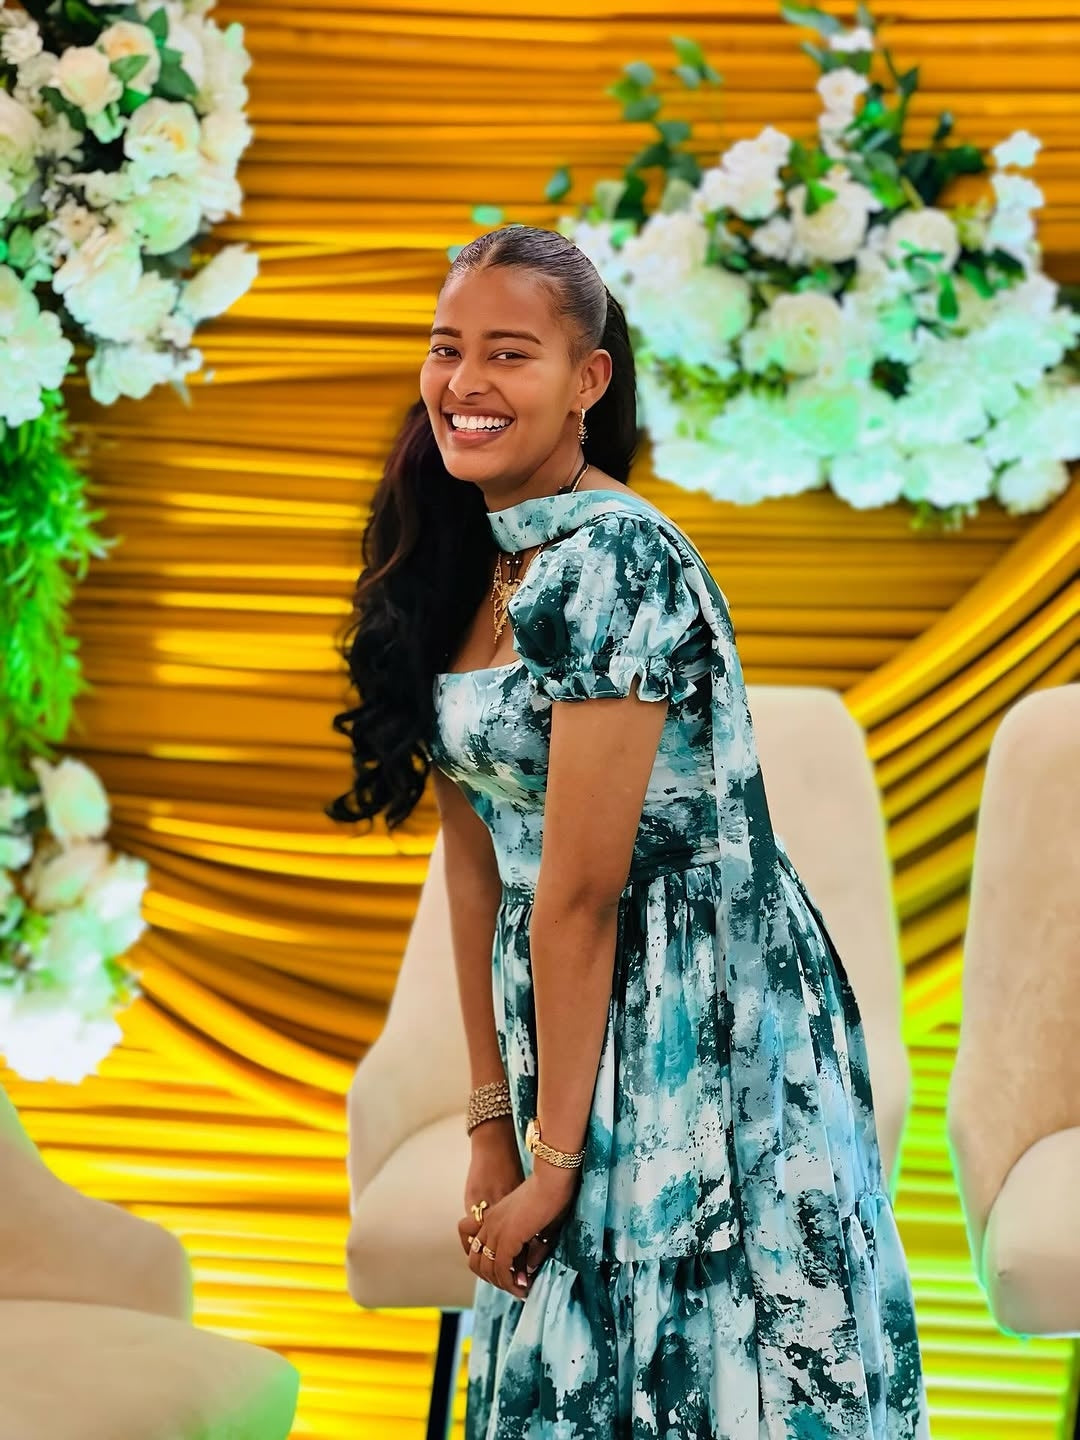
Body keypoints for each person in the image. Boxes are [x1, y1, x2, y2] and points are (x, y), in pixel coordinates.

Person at [328, 225, 930, 1439]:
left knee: (711, 1373)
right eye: (447, 350)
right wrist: (493, 1121)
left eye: (510, 354)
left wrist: (555, 1161)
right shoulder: (478, 554)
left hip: (696, 1015)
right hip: (565, 1010)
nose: (466, 384)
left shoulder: (620, 561)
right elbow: (482, 864)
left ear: (588, 382)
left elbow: (583, 892)